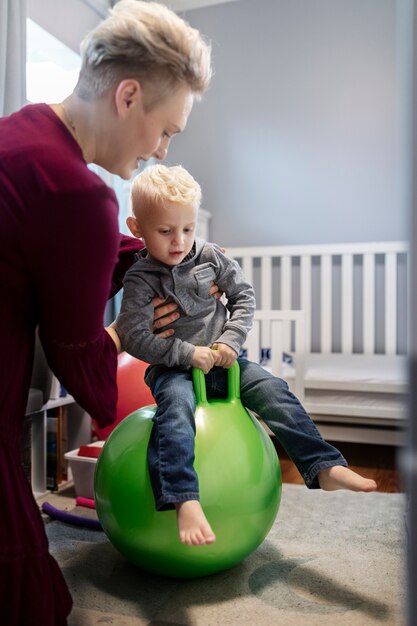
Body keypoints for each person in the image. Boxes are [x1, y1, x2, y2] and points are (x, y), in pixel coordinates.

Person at [0, 2, 212, 624]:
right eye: (166, 129)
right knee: (32, 600)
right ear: (127, 97)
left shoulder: (23, 131)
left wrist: (168, 255)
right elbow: (85, 365)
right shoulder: (81, 194)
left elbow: (64, 245)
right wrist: (131, 330)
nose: (162, 149)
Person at [115, 164, 377, 547]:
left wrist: (230, 343)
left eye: (187, 229)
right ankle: (184, 499)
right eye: (165, 231)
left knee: (275, 390)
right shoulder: (139, 279)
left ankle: (324, 466)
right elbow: (134, 337)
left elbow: (244, 298)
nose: (179, 241)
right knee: (175, 412)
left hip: (226, 363)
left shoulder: (210, 256)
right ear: (137, 228)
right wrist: (187, 354)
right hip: (174, 371)